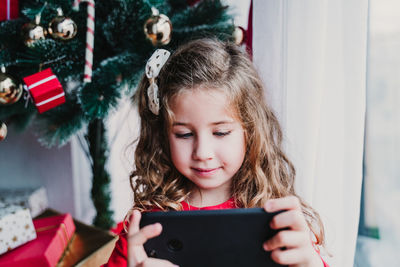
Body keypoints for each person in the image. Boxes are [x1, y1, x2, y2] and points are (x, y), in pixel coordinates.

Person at [104, 38, 329, 267]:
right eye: (184, 134)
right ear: (163, 136)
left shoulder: (276, 220)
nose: (202, 152)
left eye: (221, 132)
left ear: (250, 131)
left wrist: (310, 262)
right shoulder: (147, 229)